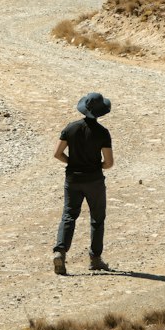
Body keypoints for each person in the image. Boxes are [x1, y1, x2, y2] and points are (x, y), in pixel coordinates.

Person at [52, 92, 113, 275]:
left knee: (69, 216)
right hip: (94, 180)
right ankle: (95, 259)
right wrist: (96, 166)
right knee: (97, 219)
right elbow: (109, 163)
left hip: (72, 179)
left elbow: (57, 153)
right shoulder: (102, 133)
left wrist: (72, 162)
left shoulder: (70, 128)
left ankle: (60, 252)